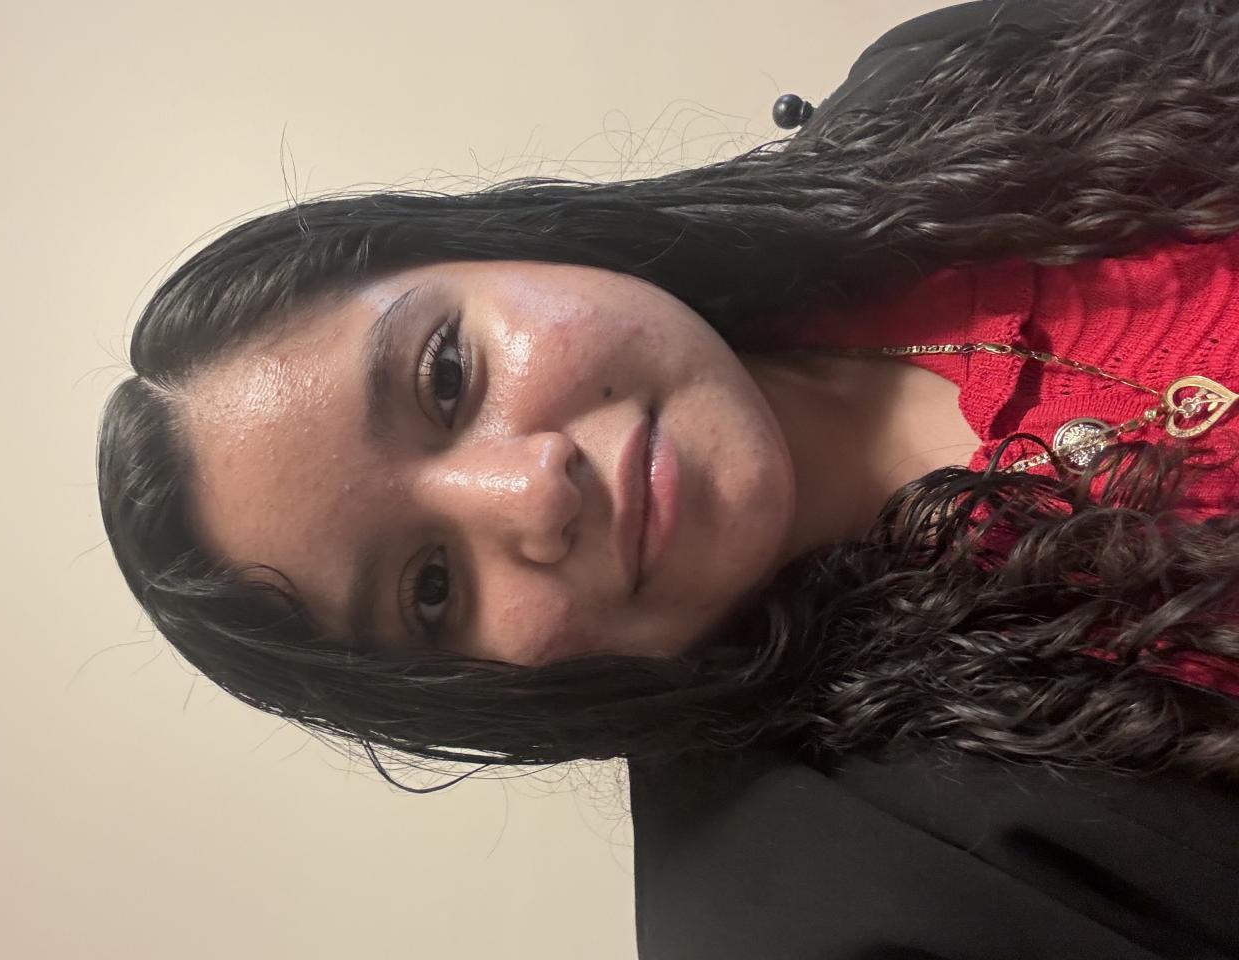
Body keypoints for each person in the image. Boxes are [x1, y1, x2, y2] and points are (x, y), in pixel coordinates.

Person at [97, 0, 1239, 955]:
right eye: (431, 588)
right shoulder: (856, 916)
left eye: (446, 374)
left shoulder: (950, 89)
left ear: (504, 245)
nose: (533, 494)